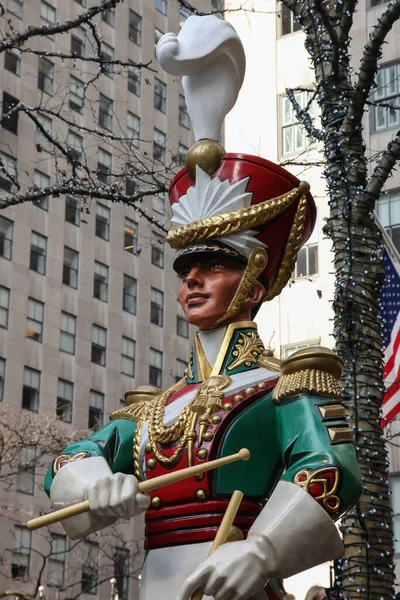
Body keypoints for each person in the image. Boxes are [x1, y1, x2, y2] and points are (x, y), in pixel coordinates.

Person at [44, 15, 362, 600]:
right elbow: (70, 458)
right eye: (186, 268)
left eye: (215, 265)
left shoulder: (287, 388)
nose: (193, 278)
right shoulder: (148, 415)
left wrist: (262, 550)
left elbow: (331, 471)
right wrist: (95, 486)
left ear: (256, 281)